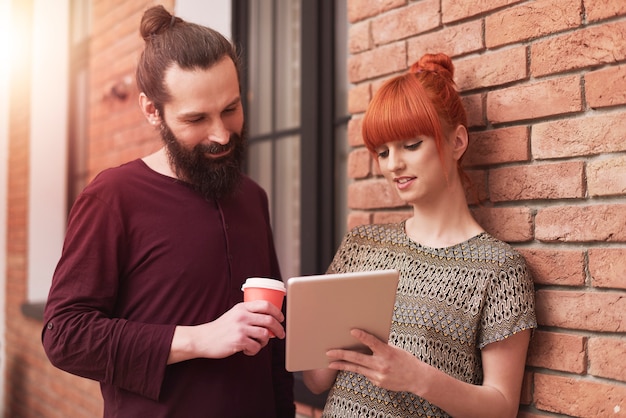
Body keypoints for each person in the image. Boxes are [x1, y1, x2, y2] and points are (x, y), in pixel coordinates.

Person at [42, 5, 295, 418]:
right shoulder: (112, 197)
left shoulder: (253, 197)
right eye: (196, 118)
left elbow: (274, 342)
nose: (221, 133)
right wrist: (199, 339)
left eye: (230, 109)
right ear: (151, 111)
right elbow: (65, 335)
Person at [303, 53, 537, 418]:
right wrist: (305, 329)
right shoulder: (361, 247)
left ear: (457, 142)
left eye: (411, 145)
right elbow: (316, 381)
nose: (393, 164)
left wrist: (417, 378)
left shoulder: (500, 270)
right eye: (382, 152)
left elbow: (502, 408)